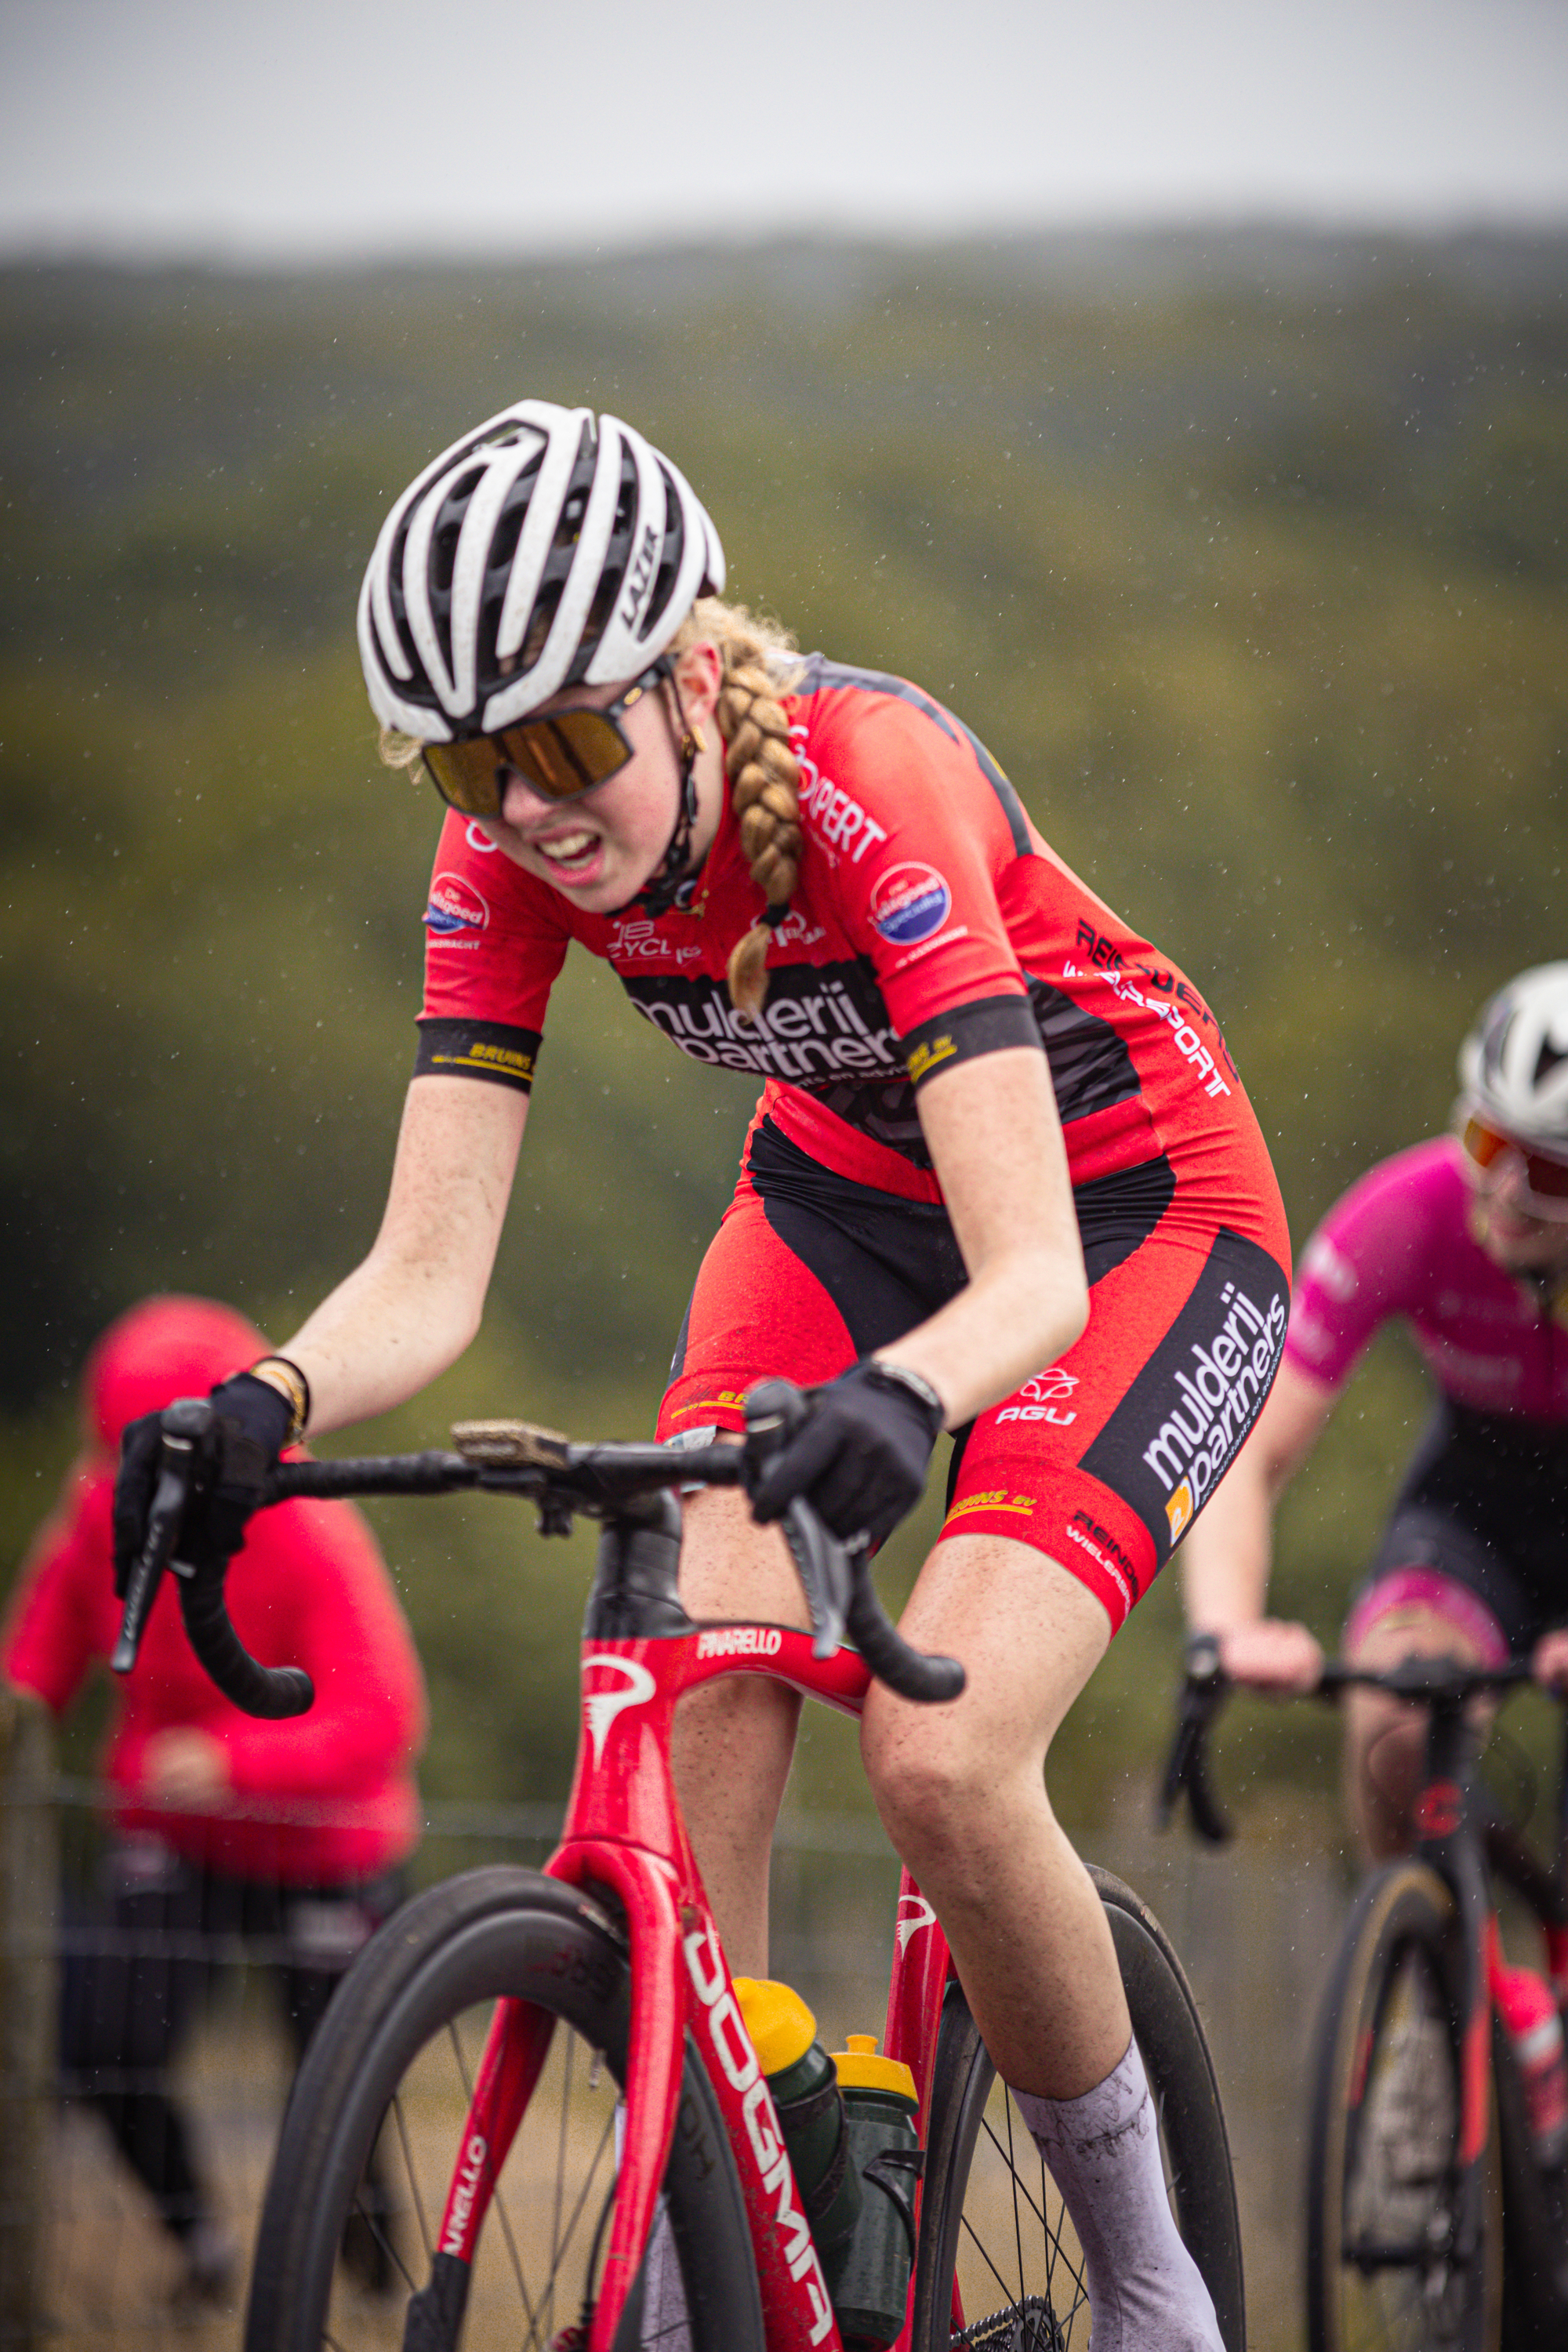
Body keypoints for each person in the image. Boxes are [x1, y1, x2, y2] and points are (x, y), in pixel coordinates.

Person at [114, 401, 1288, 2351]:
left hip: (1124, 1213)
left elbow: (1024, 1277)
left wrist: (906, 1403)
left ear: (679, 673)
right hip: (833, 1206)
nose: (528, 810)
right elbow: (429, 1263)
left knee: (937, 1755)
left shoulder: (864, 783)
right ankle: (724, 2259)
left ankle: (1157, 2290)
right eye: (472, 763)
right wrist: (269, 1399)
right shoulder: (495, 859)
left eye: (566, 741)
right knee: (686, 1695)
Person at [3, 1294, 426, 2303]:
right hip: (172, 1840)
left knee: (339, 2088)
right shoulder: (94, 1516)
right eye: (118, 1454)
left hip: (328, 1845)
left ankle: (371, 2267)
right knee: (104, 2046)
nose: (131, 1483)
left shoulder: (312, 1529)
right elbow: (35, 1670)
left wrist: (237, 1764)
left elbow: (379, 1717)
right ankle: (198, 2243)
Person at [1181, 964, 1568, 1868]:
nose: (1504, 1194)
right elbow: (1247, 1447)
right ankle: (1428, 1970)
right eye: (1484, 1143)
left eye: (1545, 1170)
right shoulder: (1407, 1212)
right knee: (1392, 1721)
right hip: (1475, 1499)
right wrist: (1227, 1626)